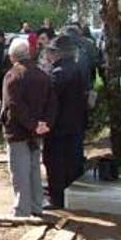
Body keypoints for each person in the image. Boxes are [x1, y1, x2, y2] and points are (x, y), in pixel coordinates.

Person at [1, 38, 54, 217]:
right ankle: (36, 206)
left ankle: (21, 209)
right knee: (34, 170)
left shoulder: (12, 75)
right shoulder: (42, 75)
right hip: (38, 131)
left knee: (19, 172)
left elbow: (14, 105)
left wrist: (31, 124)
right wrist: (43, 124)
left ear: (12, 56)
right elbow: (52, 102)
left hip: (17, 131)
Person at [42, 36, 88, 209]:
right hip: (75, 124)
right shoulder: (77, 68)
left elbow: (50, 99)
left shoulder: (58, 73)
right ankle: (70, 195)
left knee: (55, 162)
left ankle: (57, 198)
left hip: (59, 127)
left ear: (56, 53)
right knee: (72, 161)